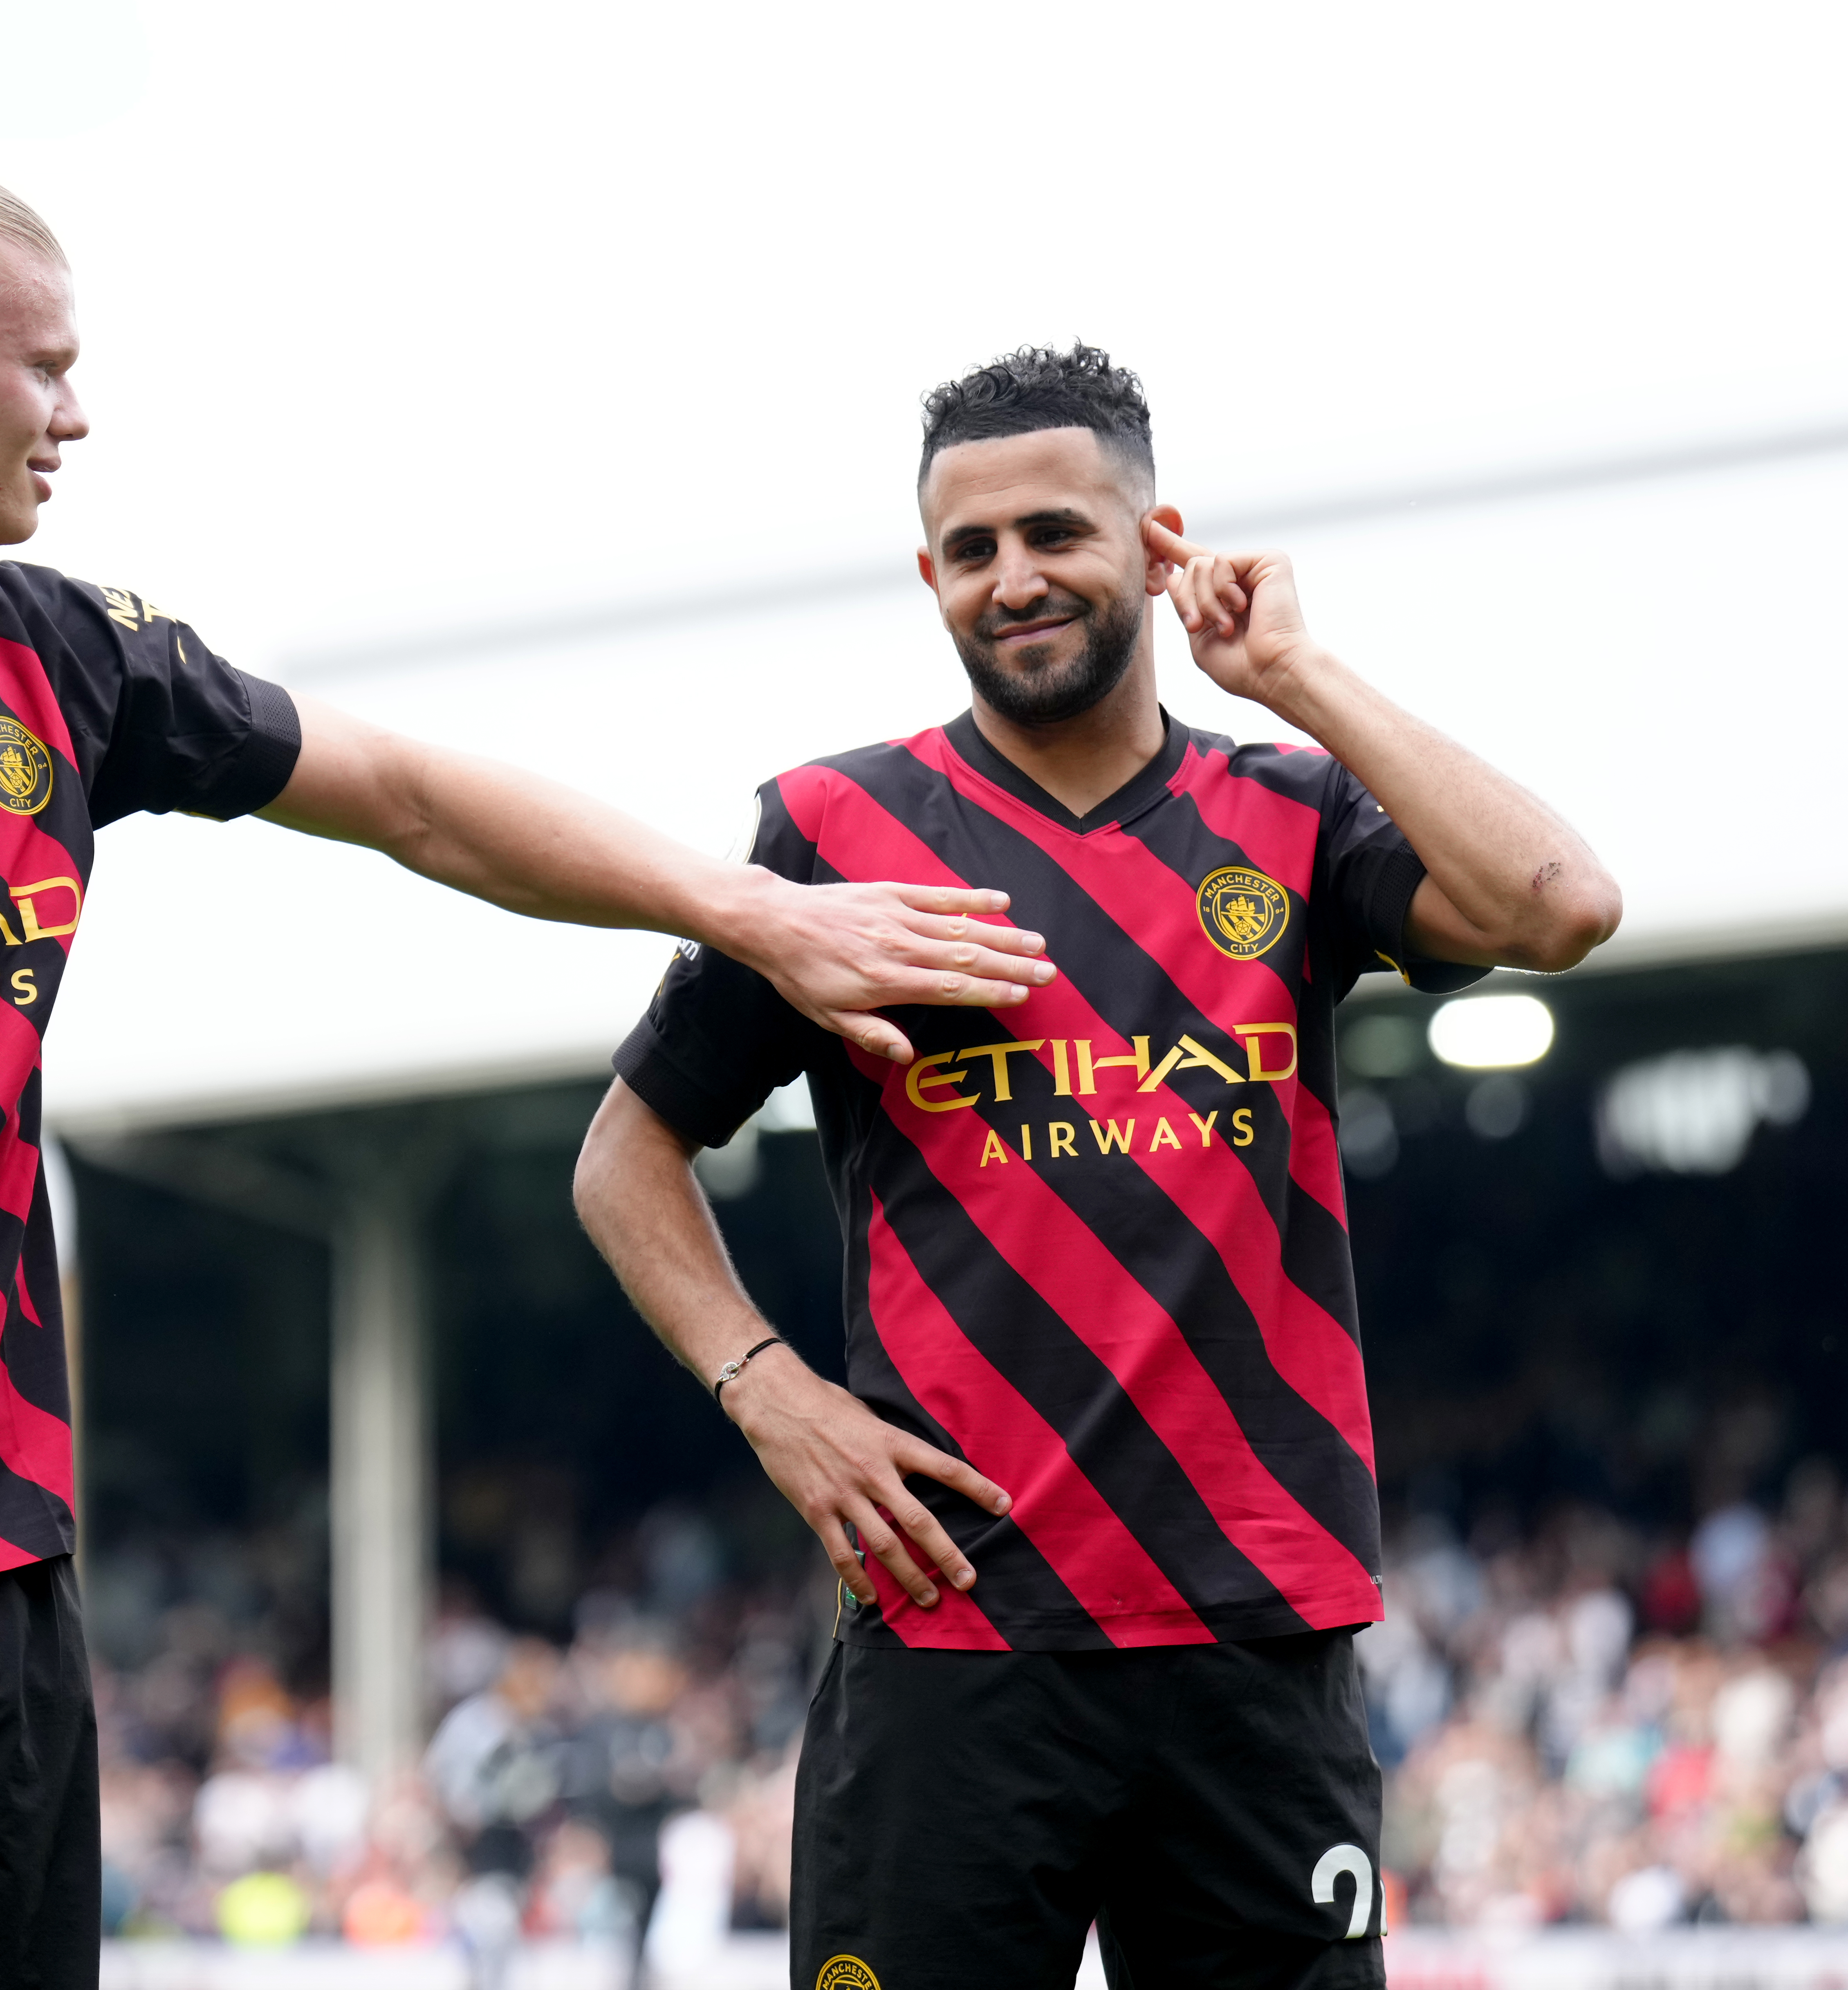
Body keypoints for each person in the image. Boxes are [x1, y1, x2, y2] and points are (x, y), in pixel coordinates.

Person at [0, 159, 1056, 1990]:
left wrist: (750, 910)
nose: (76, 410)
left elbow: (412, 800)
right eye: (41, 366)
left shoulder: (56, 655)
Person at [573, 344, 1621, 1989]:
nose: (1013, 579)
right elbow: (623, 1157)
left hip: (1250, 1631)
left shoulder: (1289, 811)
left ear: (1156, 541)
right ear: (927, 576)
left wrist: (1299, 677)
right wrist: (767, 1388)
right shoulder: (834, 832)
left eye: (1056, 531)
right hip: (952, 1627)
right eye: (969, 551)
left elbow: (1557, 903)